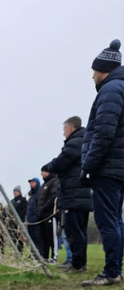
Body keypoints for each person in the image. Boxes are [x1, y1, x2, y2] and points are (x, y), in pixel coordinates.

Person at [80, 39, 124, 287]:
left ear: (103, 69)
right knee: (116, 220)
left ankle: (111, 272)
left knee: (108, 221)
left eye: (94, 70)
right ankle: (115, 269)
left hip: (108, 168)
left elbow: (104, 133)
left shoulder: (111, 90)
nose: (92, 76)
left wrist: (88, 166)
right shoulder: (120, 88)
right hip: (118, 167)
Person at [41, 116, 91, 273]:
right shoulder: (85, 140)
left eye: (64, 130)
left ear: (70, 128)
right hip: (81, 195)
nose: (63, 134)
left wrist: (49, 166)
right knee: (80, 231)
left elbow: (60, 162)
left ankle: (77, 264)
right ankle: (80, 262)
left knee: (73, 231)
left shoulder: (75, 143)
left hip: (74, 195)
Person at [37, 171, 59, 262]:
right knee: (44, 237)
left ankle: (54, 256)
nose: (41, 173)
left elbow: (53, 197)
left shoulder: (54, 182)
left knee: (52, 236)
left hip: (50, 214)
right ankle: (45, 256)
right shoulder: (43, 185)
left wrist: (45, 207)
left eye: (43, 171)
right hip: (42, 215)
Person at [26, 178, 43, 257]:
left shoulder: (39, 193)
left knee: (38, 237)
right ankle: (33, 253)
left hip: (36, 220)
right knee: (32, 237)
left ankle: (39, 253)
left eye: (33, 182)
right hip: (30, 220)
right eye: (30, 182)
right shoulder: (31, 196)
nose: (31, 184)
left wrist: (37, 216)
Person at [9, 185, 27, 253]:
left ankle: (20, 251)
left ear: (19, 192)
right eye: (14, 191)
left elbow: (25, 210)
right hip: (12, 222)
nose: (15, 193)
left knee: (20, 236)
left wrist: (19, 217)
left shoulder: (23, 200)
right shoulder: (12, 201)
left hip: (20, 221)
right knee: (13, 236)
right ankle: (15, 250)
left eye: (16, 191)